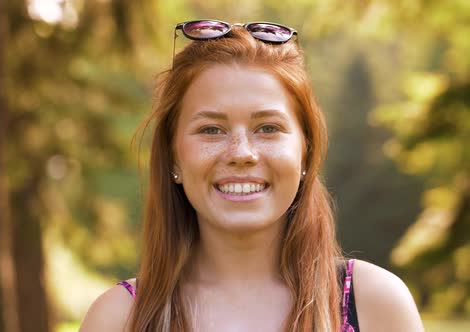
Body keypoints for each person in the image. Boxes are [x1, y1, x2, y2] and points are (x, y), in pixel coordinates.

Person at [80, 20, 424, 332]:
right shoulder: (119, 319)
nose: (242, 153)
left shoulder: (376, 305)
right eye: (211, 129)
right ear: (173, 158)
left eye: (268, 128)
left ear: (306, 151)